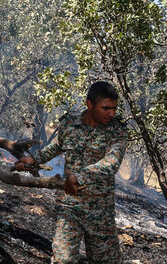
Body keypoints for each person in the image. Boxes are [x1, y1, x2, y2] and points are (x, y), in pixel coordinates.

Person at [15, 81, 127, 264]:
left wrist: (79, 176)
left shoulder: (117, 131)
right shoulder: (70, 123)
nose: (112, 113)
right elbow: (58, 145)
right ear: (90, 104)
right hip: (69, 205)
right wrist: (35, 159)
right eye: (106, 108)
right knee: (63, 259)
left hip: (100, 210)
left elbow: (111, 162)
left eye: (114, 108)